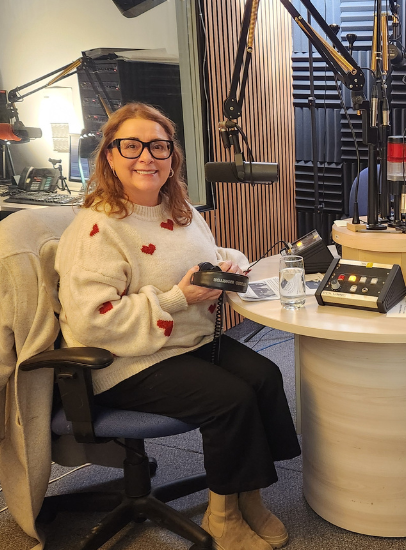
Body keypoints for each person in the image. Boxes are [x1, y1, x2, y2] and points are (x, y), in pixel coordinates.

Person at [55, 102, 300, 550]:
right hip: (126, 362)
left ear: (172, 158)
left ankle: (248, 498)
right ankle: (223, 518)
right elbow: (92, 320)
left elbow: (204, 253)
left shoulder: (179, 207)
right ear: (110, 156)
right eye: (131, 146)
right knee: (230, 400)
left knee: (266, 376)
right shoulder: (97, 228)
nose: (146, 156)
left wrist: (233, 264)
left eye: (158, 146)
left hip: (186, 343)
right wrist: (176, 298)